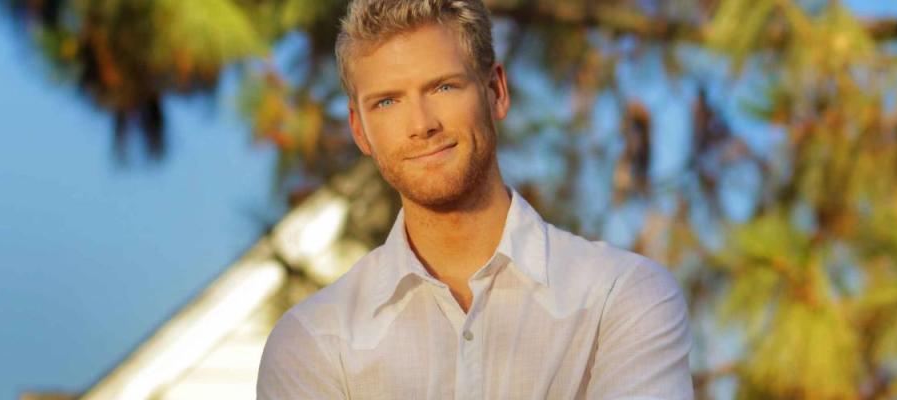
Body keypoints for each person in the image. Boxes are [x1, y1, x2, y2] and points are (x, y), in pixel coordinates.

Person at [257, 0, 694, 398]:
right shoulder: (313, 343)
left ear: (496, 91)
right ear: (359, 130)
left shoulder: (620, 298)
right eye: (388, 102)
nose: (421, 124)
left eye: (443, 87)